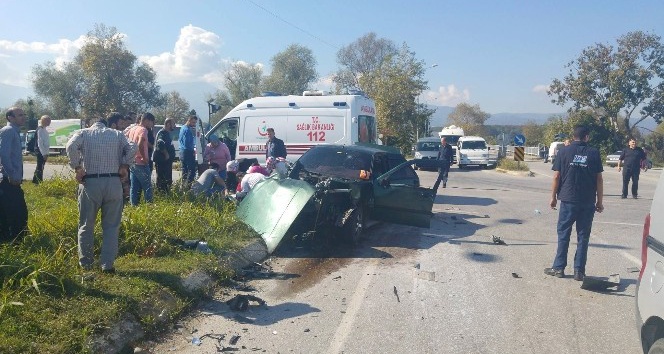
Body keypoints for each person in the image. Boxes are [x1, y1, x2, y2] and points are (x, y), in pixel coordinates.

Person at [66, 116, 136, 272]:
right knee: (111, 226)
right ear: (105, 124)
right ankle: (107, 265)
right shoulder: (117, 134)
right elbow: (133, 146)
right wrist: (125, 165)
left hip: (90, 182)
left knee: (86, 225)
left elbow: (71, 146)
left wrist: (77, 168)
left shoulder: (83, 133)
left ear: (91, 124)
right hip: (113, 181)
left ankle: (86, 264)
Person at [545, 125, 604, 281]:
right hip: (587, 201)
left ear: (573, 136)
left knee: (564, 233)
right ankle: (579, 271)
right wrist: (600, 201)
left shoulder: (564, 151)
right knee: (583, 236)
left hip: (568, 200)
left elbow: (556, 177)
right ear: (587, 137)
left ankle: (558, 268)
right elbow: (599, 179)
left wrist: (553, 197)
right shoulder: (594, 153)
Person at [0, 107, 28, 243]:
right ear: (10, 118)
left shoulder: (14, 132)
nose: (23, 117)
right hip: (8, 180)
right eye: (19, 115)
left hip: (11, 179)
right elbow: (4, 155)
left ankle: (14, 239)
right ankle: (14, 240)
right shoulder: (9, 131)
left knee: (15, 211)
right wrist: (11, 174)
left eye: (24, 114)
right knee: (15, 212)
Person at [126, 113, 155, 205]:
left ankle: (133, 206)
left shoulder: (133, 129)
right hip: (141, 162)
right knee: (147, 187)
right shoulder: (143, 130)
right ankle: (149, 206)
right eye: (152, 122)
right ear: (147, 120)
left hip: (132, 162)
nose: (152, 125)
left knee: (134, 187)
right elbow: (140, 144)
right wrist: (144, 157)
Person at [153, 118, 176, 193]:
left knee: (167, 180)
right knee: (162, 180)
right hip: (162, 161)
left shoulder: (167, 133)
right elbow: (160, 143)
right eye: (173, 124)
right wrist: (166, 154)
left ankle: (166, 193)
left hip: (167, 162)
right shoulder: (162, 133)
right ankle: (161, 194)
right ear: (168, 124)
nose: (174, 126)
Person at [32, 115, 52, 184]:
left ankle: (35, 181)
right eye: (48, 120)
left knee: (40, 166)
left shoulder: (44, 129)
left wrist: (46, 152)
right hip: (40, 152)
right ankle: (38, 182)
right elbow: (40, 143)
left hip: (43, 152)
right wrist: (43, 154)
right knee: (40, 167)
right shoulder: (40, 129)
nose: (49, 122)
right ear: (43, 121)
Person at [179, 115, 198, 185]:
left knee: (185, 171)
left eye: (195, 123)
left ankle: (183, 186)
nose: (194, 124)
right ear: (189, 121)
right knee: (191, 171)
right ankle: (188, 186)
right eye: (193, 122)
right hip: (187, 152)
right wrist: (193, 151)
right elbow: (187, 143)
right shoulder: (187, 130)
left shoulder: (182, 128)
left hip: (182, 151)